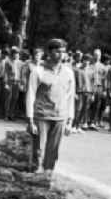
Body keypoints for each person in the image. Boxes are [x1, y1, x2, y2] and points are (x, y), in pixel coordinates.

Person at [26, 38, 75, 176]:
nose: (61, 55)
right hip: (41, 116)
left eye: (63, 52)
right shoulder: (38, 71)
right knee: (38, 151)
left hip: (60, 117)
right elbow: (30, 95)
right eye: (58, 51)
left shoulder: (68, 72)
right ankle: (34, 178)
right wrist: (30, 119)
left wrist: (70, 120)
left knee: (53, 151)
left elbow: (70, 97)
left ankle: (47, 178)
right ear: (49, 52)